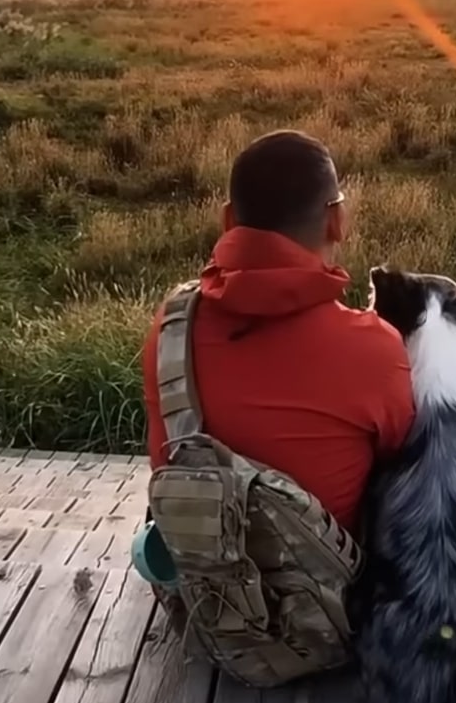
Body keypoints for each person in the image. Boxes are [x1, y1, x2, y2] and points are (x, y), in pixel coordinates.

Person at [141, 129, 416, 535]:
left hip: (197, 583)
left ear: (228, 220)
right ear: (336, 221)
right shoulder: (375, 348)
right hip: (327, 592)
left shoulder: (172, 324)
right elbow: (403, 456)